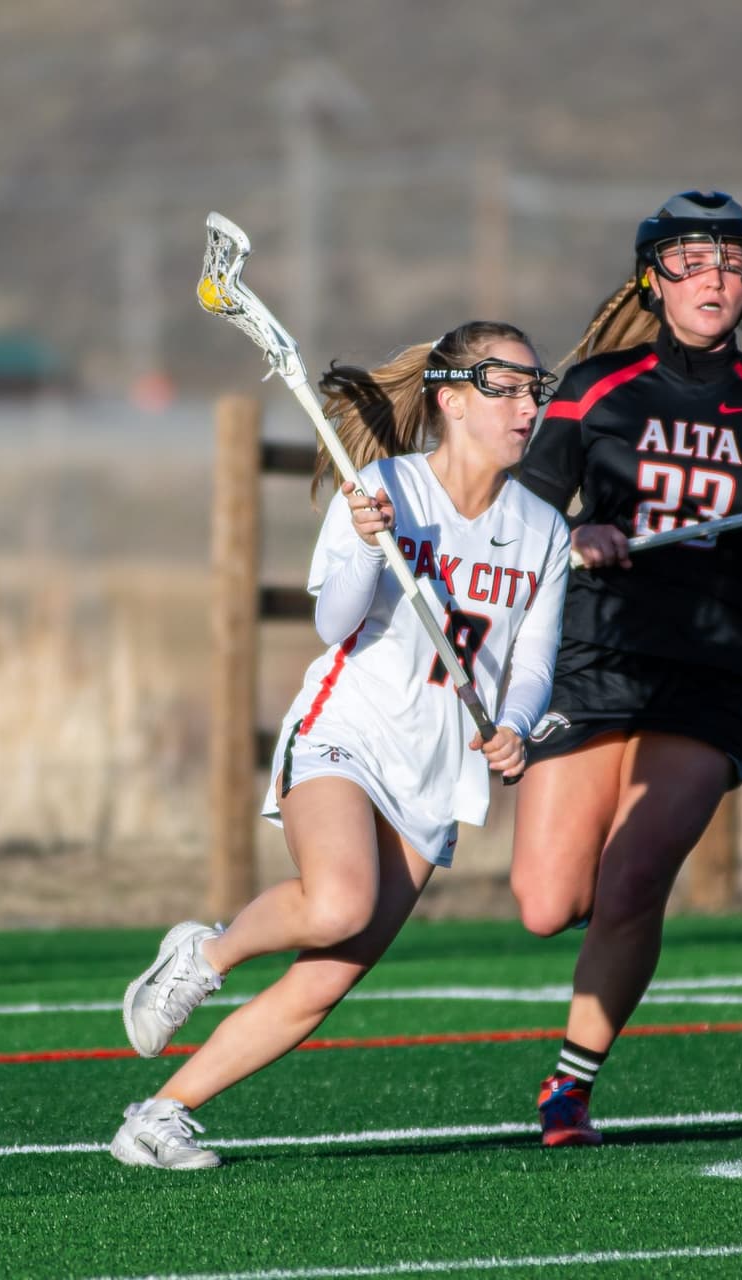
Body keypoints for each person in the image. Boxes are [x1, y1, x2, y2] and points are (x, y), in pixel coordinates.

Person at [110, 321, 572, 1170]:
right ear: (452, 400)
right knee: (337, 903)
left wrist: (515, 726)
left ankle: (159, 1117)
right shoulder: (386, 488)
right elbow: (333, 622)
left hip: (437, 775)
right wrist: (366, 543)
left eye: (534, 388)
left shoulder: (543, 527)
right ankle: (201, 956)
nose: (527, 405)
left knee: (327, 976)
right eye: (505, 387)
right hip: (347, 734)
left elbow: (534, 664)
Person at [511, 191, 742, 1146]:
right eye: (692, 261)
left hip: (710, 672)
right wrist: (580, 534)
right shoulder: (595, 388)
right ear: (654, 278)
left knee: (635, 880)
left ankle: (570, 1086)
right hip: (595, 656)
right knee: (546, 904)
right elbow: (519, 520)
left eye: (732, 263)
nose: (714, 279)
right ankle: (582, 1009)